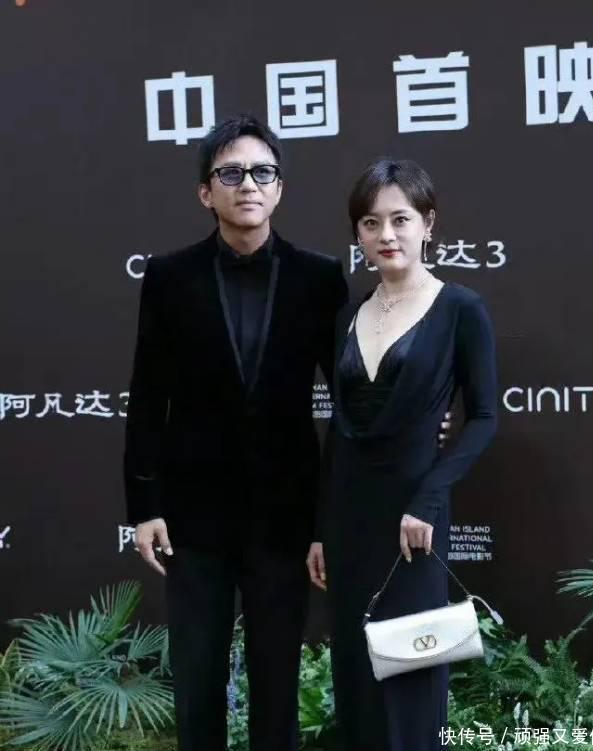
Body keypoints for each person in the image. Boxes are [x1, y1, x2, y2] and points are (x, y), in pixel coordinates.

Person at [123, 114, 349, 751]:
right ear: (206, 191)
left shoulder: (319, 277)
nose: (247, 184)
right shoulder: (169, 277)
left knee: (277, 681)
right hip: (194, 517)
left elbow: (350, 397)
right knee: (196, 680)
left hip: (285, 515)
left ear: (279, 188)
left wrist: (326, 519)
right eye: (230, 173)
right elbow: (148, 397)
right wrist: (145, 506)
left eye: (261, 172)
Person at [307, 159, 498, 751]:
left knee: (411, 665)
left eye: (400, 219)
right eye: (370, 223)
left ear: (428, 223)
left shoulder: (460, 308)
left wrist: (429, 499)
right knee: (356, 668)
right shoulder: (348, 314)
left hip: (414, 518)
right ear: (358, 234)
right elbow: (339, 429)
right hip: (348, 520)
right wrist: (319, 531)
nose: (385, 235)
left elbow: (484, 417)